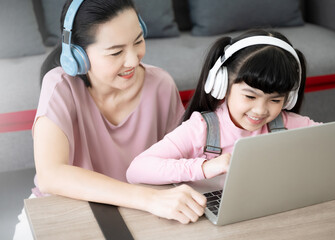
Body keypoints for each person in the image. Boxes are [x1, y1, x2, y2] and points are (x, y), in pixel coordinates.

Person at [13, 0, 207, 238]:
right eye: (116, 52)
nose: (133, 60)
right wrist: (149, 198)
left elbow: (179, 161)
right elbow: (50, 175)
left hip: (141, 211)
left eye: (138, 41)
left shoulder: (161, 84)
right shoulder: (59, 86)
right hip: (70, 208)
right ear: (77, 55)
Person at [126, 29, 320, 185]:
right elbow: (137, 169)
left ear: (289, 97)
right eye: (250, 96)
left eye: (275, 100)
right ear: (222, 84)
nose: (261, 110)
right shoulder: (201, 129)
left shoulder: (287, 123)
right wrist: (205, 167)